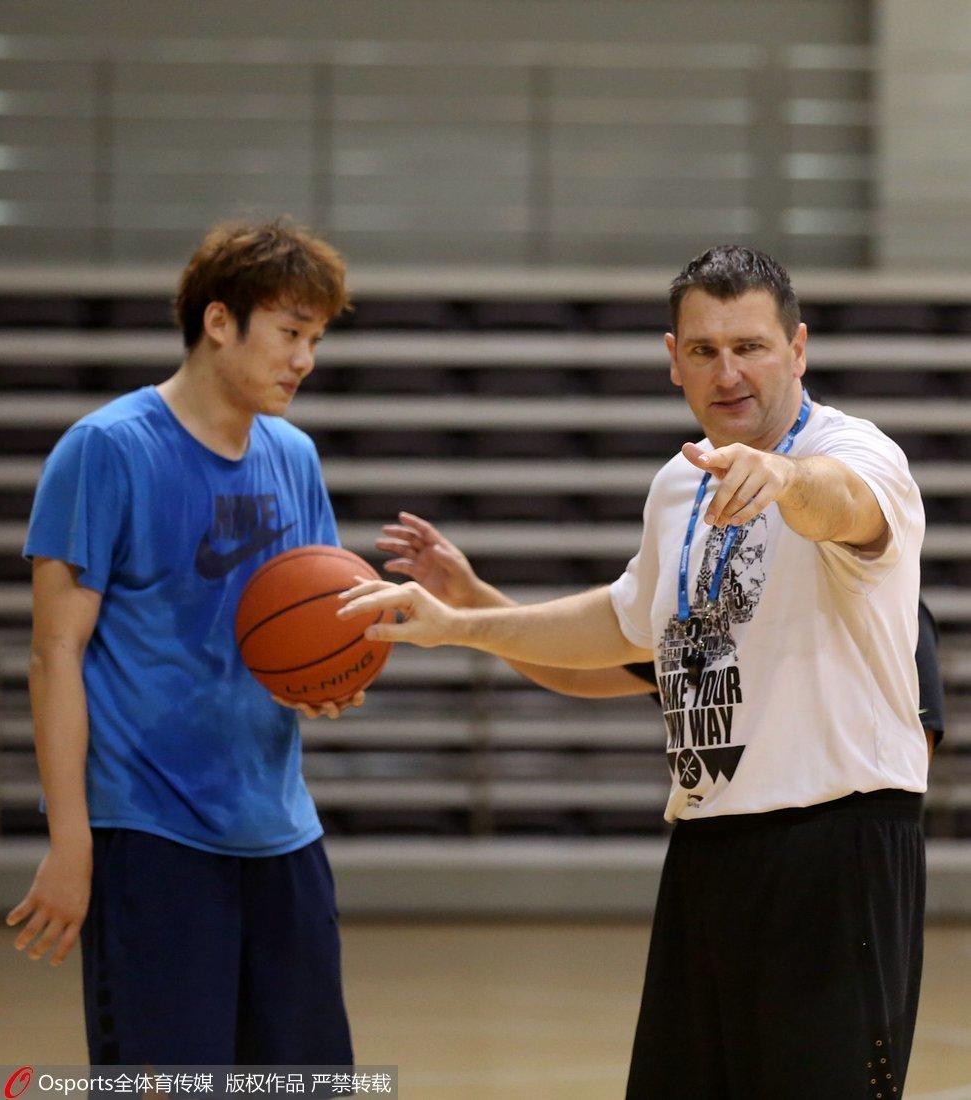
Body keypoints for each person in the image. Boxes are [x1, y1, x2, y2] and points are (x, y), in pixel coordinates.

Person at [345, 246, 929, 1098]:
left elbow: (842, 503)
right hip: (708, 846)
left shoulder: (857, 454)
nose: (727, 372)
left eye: (750, 347)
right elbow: (619, 635)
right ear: (672, 361)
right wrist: (461, 621)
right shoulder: (675, 487)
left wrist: (781, 476)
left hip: (834, 849)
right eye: (703, 351)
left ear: (797, 349)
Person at [7, 220, 358, 1067]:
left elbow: (309, 627)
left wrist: (328, 680)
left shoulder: (295, 456)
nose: (303, 360)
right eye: (288, 333)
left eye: (314, 338)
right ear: (217, 322)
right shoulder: (104, 451)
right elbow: (54, 655)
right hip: (151, 836)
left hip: (281, 830)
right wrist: (70, 841)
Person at [376, 513, 945, 765]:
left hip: (830, 862)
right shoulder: (708, 615)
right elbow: (574, 669)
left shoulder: (890, 609)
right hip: (712, 846)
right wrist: (474, 600)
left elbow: (908, 757)